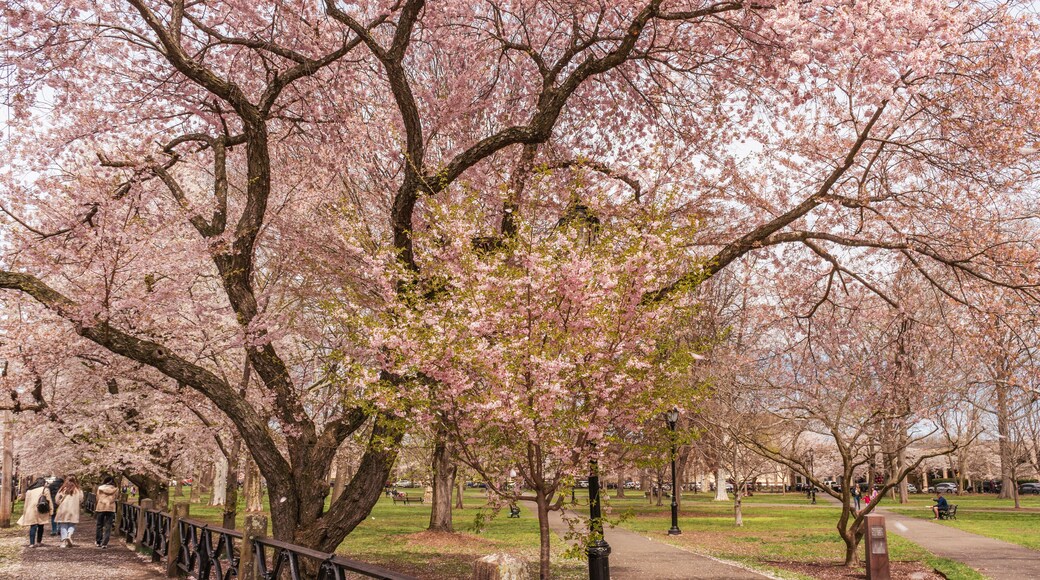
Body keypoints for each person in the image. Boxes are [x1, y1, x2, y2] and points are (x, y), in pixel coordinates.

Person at [17, 477, 54, 547]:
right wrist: (51, 510)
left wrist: (25, 512)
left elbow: (26, 502)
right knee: (41, 526)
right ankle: (39, 542)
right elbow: (49, 500)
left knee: (33, 526)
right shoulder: (45, 489)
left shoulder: (30, 490)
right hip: (41, 509)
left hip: (31, 510)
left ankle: (31, 543)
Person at [55, 475, 84, 548]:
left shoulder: (62, 489)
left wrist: (59, 503)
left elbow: (57, 500)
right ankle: (69, 535)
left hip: (63, 509)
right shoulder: (78, 490)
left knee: (63, 525)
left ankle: (63, 542)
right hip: (74, 509)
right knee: (72, 524)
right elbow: (81, 500)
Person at [94, 476, 118, 548]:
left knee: (99, 525)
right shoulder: (115, 489)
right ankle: (105, 543)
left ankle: (98, 541)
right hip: (110, 508)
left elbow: (97, 497)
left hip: (101, 507)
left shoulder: (100, 488)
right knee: (108, 525)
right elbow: (116, 498)